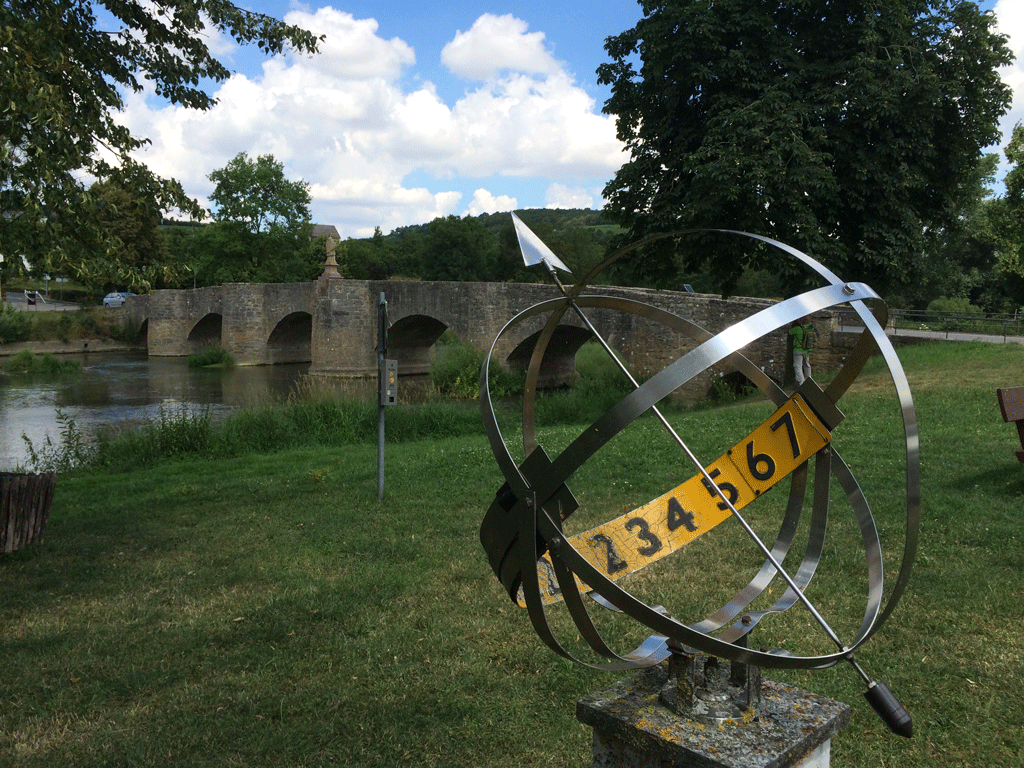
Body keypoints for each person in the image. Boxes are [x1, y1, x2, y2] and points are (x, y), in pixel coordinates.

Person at [789, 316, 815, 386]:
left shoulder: (797, 329)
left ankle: (801, 382)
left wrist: (792, 323)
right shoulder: (811, 328)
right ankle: (808, 380)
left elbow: (789, 331)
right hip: (807, 349)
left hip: (798, 350)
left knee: (798, 366)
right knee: (807, 364)